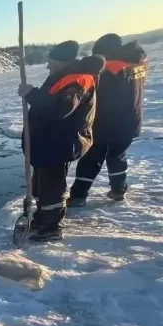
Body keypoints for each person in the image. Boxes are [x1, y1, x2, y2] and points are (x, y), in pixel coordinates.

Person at [18, 40, 105, 241]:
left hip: (59, 143)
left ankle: (50, 228)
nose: (48, 66)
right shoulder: (62, 77)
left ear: (62, 61)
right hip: (49, 142)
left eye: (51, 61)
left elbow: (61, 109)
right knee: (40, 184)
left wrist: (32, 94)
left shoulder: (76, 81)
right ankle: (41, 218)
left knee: (51, 186)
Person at [68, 34, 148, 205]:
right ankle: (119, 190)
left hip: (106, 121)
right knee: (117, 155)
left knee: (91, 157)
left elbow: (103, 96)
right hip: (131, 120)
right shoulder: (137, 61)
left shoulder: (110, 67)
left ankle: (79, 196)